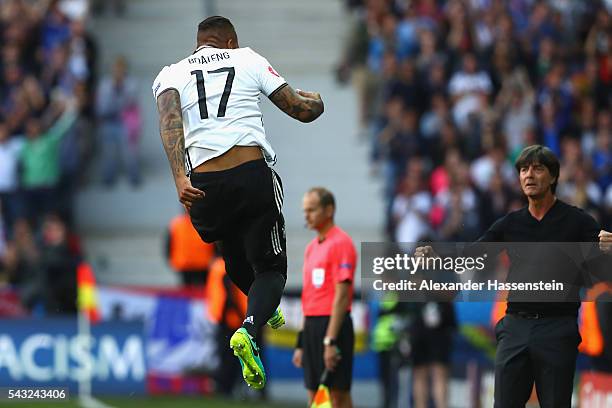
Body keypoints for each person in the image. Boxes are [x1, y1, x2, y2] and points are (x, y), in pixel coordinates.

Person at [152, 16, 324, 390]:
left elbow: (169, 121)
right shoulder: (246, 57)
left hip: (203, 187)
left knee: (231, 257)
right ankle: (249, 328)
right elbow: (300, 109)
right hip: (250, 176)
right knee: (272, 270)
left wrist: (180, 179)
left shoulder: (171, 73)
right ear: (229, 41)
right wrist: (318, 101)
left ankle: (263, 308)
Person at [416, 145, 611, 407]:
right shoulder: (509, 224)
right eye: (523, 169)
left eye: (537, 168)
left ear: (553, 177)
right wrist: (438, 255)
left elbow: (600, 264)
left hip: (557, 328)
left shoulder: (577, 222)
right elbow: (474, 253)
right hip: (515, 327)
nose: (528, 175)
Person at [292, 187, 356, 408]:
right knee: (315, 396)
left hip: (333, 326)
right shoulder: (311, 248)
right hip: (311, 326)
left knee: (338, 396)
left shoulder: (342, 243)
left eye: (311, 210)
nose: (306, 216)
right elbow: (308, 297)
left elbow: (342, 295)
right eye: (304, 211)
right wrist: (301, 342)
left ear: (329, 210)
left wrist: (330, 340)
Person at [165, 209, 215, 287]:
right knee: (202, 292)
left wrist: (169, 259)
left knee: (187, 291)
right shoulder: (206, 222)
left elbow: (168, 245)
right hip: (199, 264)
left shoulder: (176, 224)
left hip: (192, 264)